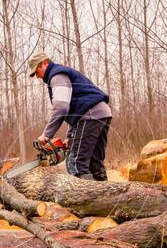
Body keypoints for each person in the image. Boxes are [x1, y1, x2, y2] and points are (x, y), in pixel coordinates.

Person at [28, 51, 112, 180]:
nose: (37, 77)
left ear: (44, 63)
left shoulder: (57, 75)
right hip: (102, 113)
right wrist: (69, 136)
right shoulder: (62, 73)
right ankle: (105, 197)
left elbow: (61, 107)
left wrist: (46, 134)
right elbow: (75, 109)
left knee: (76, 164)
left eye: (37, 72)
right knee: (94, 163)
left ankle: (85, 199)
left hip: (90, 115)